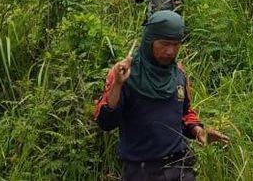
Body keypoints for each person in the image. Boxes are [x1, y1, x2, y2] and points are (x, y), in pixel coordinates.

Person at [94, 10, 229, 181]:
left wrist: (198, 131)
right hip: (141, 171)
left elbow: (185, 112)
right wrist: (118, 85)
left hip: (180, 166)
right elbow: (105, 122)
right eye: (164, 44)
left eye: (176, 44)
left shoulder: (178, 74)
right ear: (150, 40)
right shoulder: (126, 74)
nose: (170, 51)